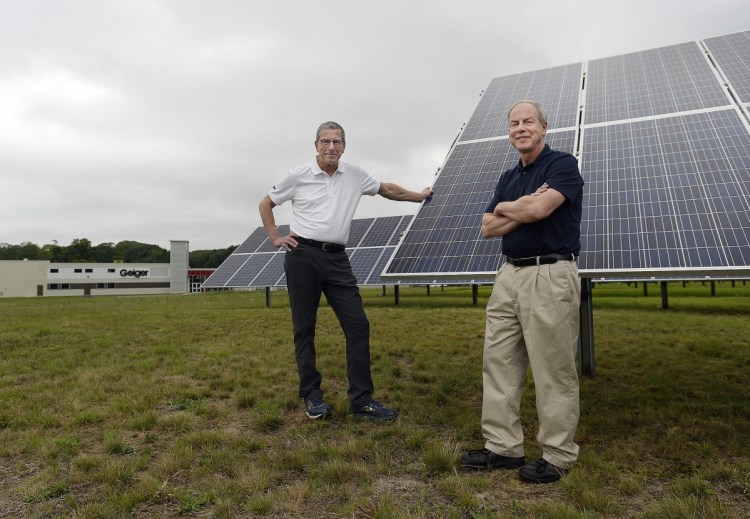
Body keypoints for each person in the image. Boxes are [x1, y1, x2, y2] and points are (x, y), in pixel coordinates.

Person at [259, 121, 432, 422]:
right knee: (304, 328)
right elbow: (266, 203)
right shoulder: (297, 176)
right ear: (316, 145)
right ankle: (312, 396)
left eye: (337, 142)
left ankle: (362, 400)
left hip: (338, 260)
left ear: (344, 147)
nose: (331, 147)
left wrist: (419, 196)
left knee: (358, 326)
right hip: (302, 256)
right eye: (325, 142)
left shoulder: (354, 175)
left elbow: (386, 189)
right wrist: (275, 237)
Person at [461, 100, 584, 483]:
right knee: (498, 362)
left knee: (553, 369)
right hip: (508, 276)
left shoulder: (562, 165)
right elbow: (486, 227)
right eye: (514, 123)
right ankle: (503, 447)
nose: (520, 128)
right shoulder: (508, 177)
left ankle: (558, 455)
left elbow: (539, 212)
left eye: (528, 121)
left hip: (549, 274)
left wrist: (514, 210)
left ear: (544, 127)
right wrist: (518, 204)